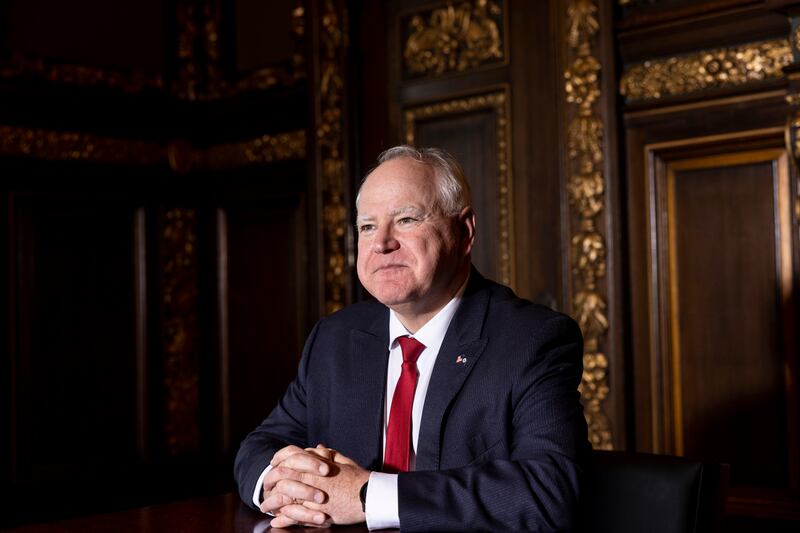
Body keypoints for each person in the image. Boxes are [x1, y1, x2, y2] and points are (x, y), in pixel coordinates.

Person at [234, 146, 589, 531]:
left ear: (464, 231)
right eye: (367, 226)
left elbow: (549, 492)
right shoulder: (334, 338)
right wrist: (279, 482)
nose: (382, 242)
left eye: (405, 219)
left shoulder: (532, 340)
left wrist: (368, 494)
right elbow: (259, 448)